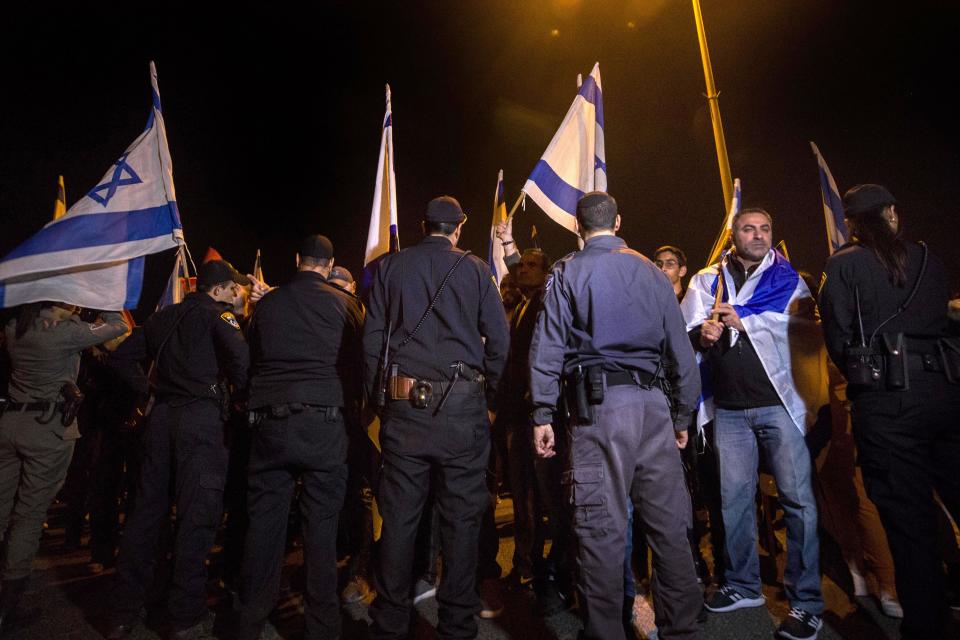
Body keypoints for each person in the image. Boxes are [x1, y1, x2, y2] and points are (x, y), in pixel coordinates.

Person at [529, 191, 702, 640]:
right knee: (668, 528)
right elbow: (680, 353)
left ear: (576, 226)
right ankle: (681, 630)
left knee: (601, 532)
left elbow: (547, 346)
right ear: (619, 222)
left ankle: (607, 632)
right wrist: (682, 416)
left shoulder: (568, 270)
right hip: (653, 408)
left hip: (600, 411)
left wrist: (542, 412)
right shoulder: (651, 272)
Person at [362, 196, 509, 639]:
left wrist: (379, 402)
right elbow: (499, 343)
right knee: (461, 519)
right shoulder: (476, 270)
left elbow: (372, 343)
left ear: (423, 225)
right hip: (463, 407)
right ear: (459, 228)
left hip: (405, 407)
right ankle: (457, 624)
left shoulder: (391, 268)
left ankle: (389, 621)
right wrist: (492, 400)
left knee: (400, 516)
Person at [819, 184, 960, 640]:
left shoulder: (844, 265)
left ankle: (929, 627)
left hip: (886, 400)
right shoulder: (928, 260)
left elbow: (839, 339)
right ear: (892, 214)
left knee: (910, 524)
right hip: (944, 392)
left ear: (852, 224)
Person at [682, 207, 827, 640]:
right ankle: (743, 585)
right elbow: (685, 328)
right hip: (727, 408)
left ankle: (806, 603)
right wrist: (701, 335)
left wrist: (746, 320)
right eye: (750, 228)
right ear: (734, 234)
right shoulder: (706, 281)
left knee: (798, 503)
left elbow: (805, 331)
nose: (759, 235)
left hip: (779, 405)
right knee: (734, 501)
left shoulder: (788, 279)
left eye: (766, 228)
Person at [107, 259, 250, 640]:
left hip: (161, 421)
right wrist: (237, 400)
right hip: (200, 424)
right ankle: (185, 615)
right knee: (196, 515)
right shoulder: (219, 318)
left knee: (145, 514)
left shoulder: (161, 318)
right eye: (232, 289)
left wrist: (149, 390)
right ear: (217, 290)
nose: (236, 294)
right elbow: (242, 363)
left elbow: (121, 357)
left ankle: (123, 610)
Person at [238, 235, 363, 639]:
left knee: (264, 525)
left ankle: (249, 621)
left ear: (297, 259)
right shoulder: (344, 304)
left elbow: (249, 359)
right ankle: (322, 627)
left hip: (269, 423)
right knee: (321, 527)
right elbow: (359, 364)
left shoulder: (266, 305)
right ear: (329, 265)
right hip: (324, 424)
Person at [0, 302, 128, 630]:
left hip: (11, 422)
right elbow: (118, 326)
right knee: (28, 517)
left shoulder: (16, 327)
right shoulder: (65, 333)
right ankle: (7, 606)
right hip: (47, 427)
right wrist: (104, 297)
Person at [494, 219, 571, 614]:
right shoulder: (523, 304)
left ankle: (559, 575)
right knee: (523, 500)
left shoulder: (550, 300)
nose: (520, 269)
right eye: (519, 265)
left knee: (551, 501)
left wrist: (511, 247)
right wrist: (509, 243)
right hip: (516, 418)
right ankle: (526, 566)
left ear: (546, 272)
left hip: (544, 418)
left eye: (529, 265)